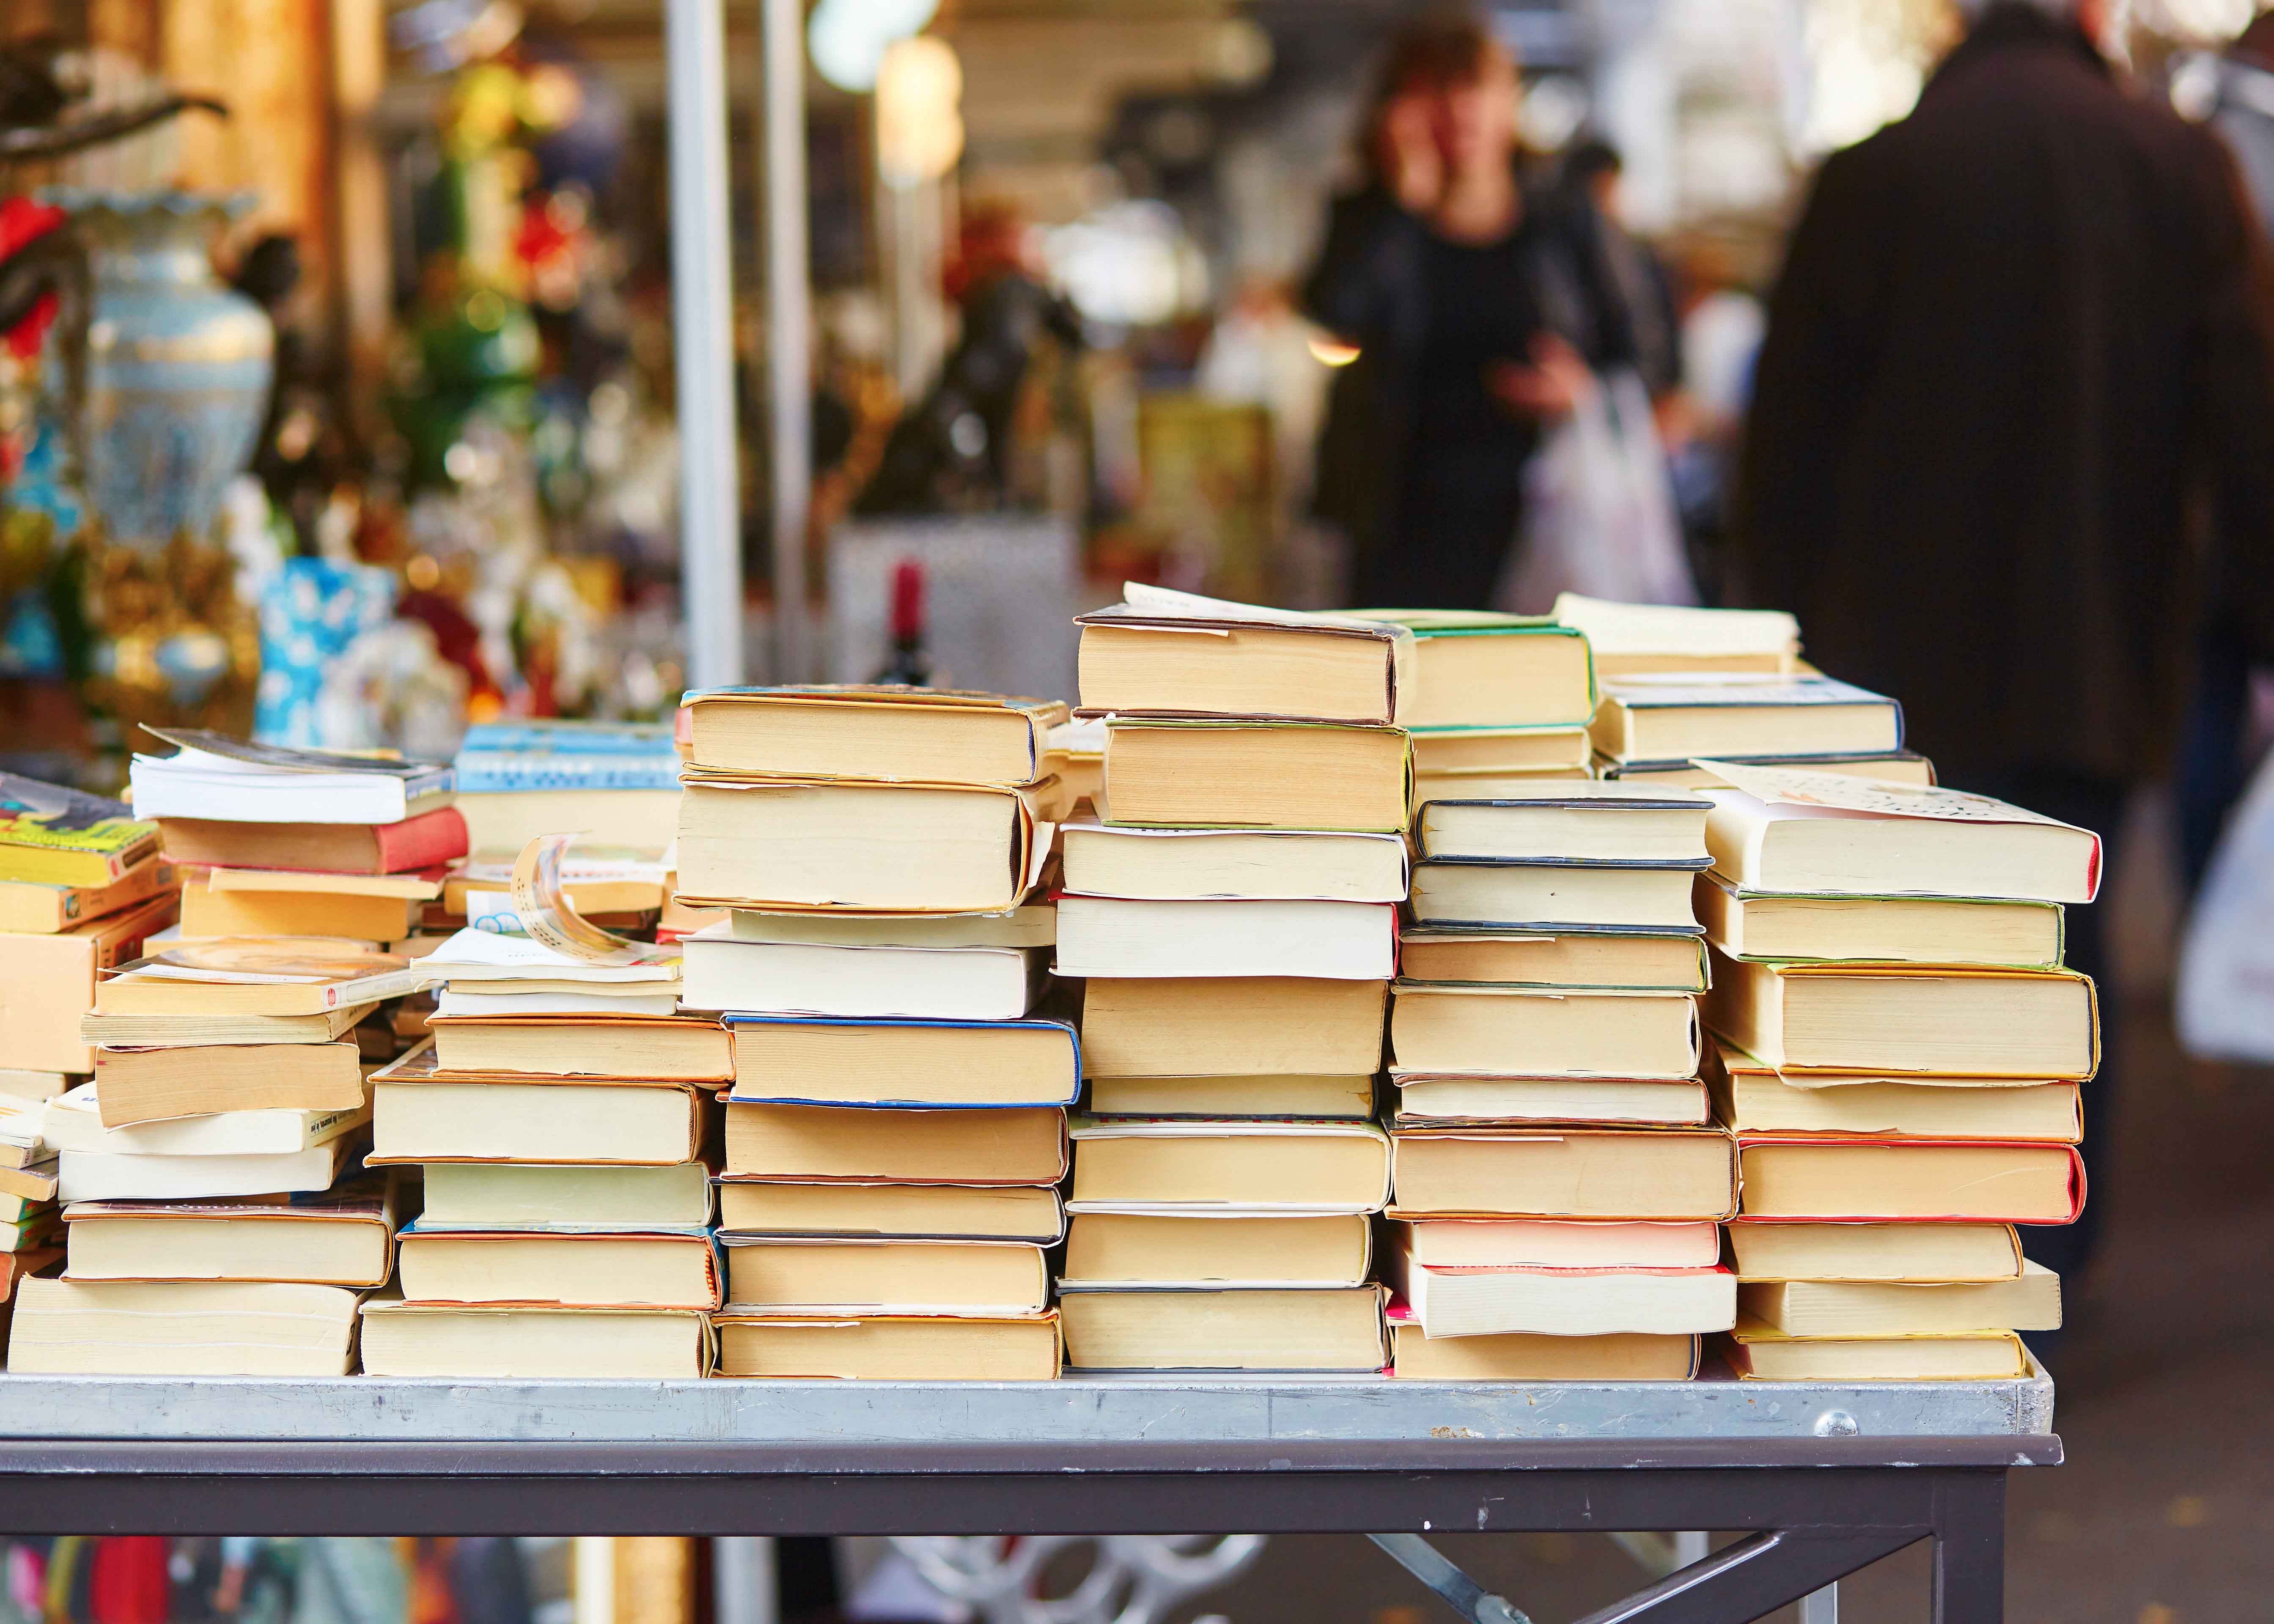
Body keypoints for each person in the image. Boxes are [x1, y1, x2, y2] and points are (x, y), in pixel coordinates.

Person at [1730, 0, 2274, 1286]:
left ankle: (1901, 1253)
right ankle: (2047, 1263)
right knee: (2065, 948)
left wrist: (1786, 646)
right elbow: (2250, 424)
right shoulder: (2178, 167)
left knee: (1903, 954)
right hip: (2102, 644)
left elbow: (1785, 446)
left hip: (1892, 665)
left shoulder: (1873, 177)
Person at [1301, 11, 1630, 609]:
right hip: (1397, 513)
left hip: (1540, 507)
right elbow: (1335, 318)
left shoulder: (1562, 220)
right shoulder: (1367, 217)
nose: (1458, 110)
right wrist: (1403, 208)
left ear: (1509, 101)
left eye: (1474, 86)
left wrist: (1578, 388)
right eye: (1435, 90)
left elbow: (1642, 350)